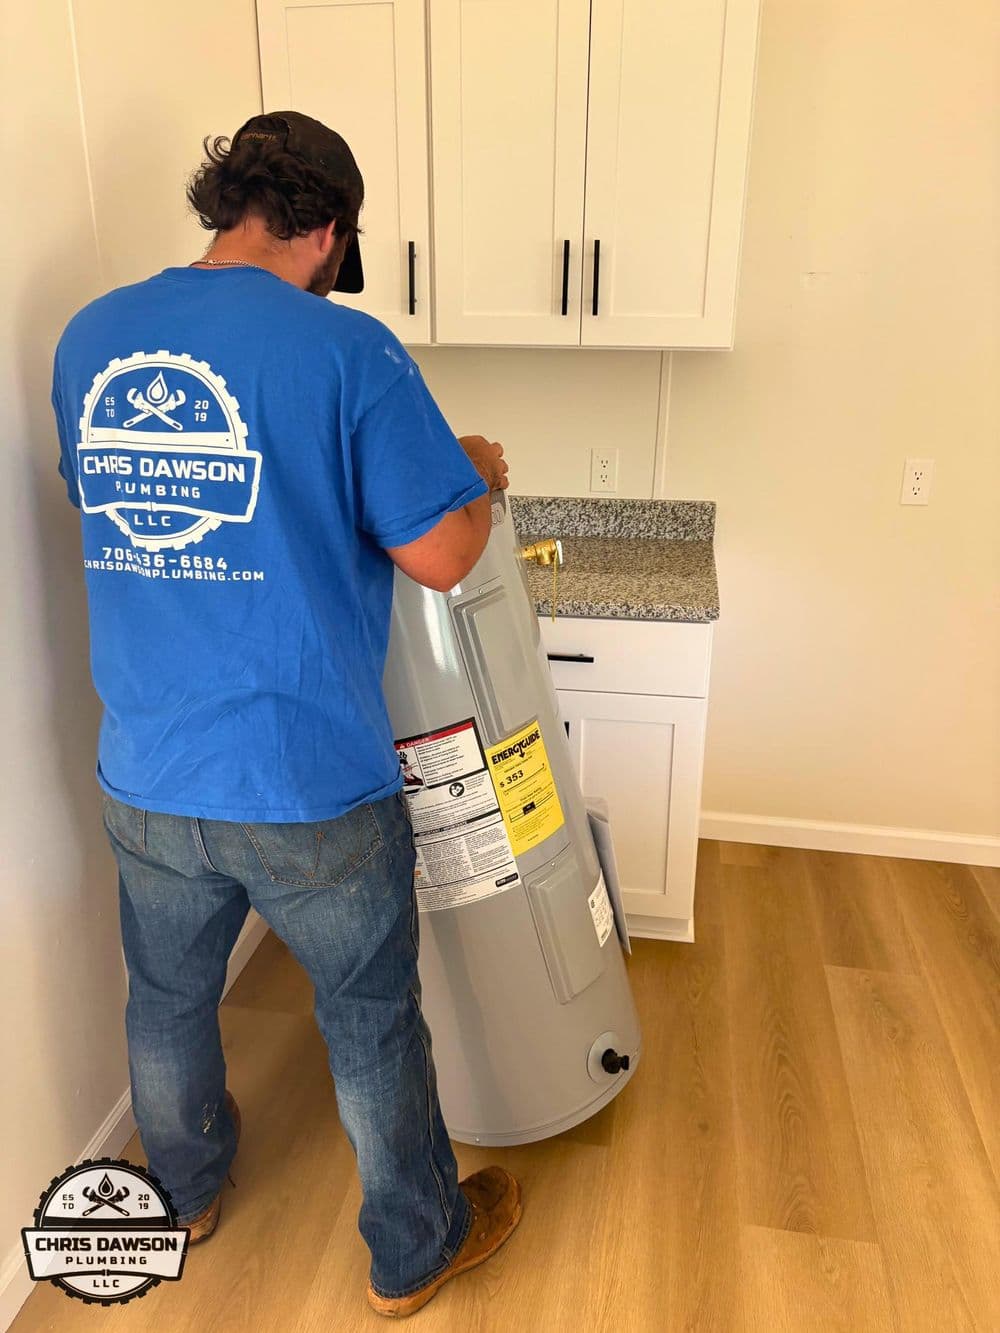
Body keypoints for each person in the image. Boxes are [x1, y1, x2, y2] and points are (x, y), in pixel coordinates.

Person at [51, 110, 521, 1318]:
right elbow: (438, 555)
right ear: (328, 232)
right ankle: (414, 1249)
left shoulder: (93, 336)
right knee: (368, 1018)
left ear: (228, 208)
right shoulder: (346, 352)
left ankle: (186, 1191)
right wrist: (468, 472)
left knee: (164, 998)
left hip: (149, 763)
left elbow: (146, 503)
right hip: (306, 775)